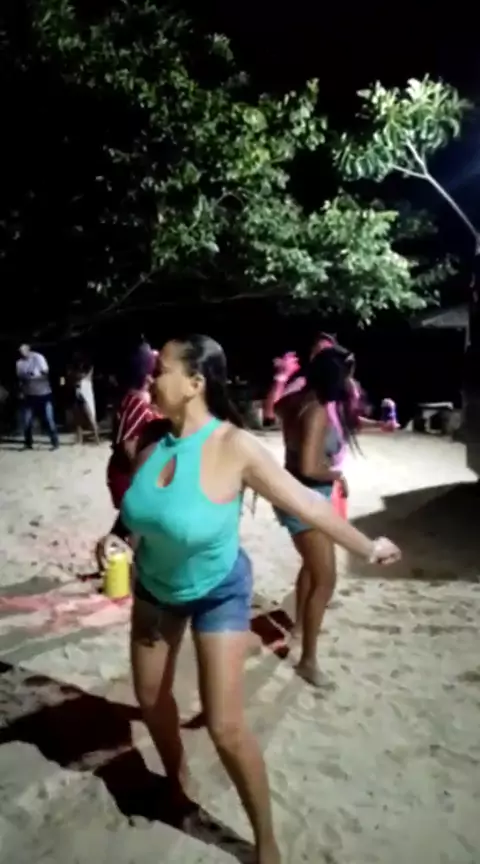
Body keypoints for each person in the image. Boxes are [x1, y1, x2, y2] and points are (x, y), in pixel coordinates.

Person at [96, 334, 400, 864]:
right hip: (153, 590)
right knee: (150, 699)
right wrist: (115, 538)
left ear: (195, 383)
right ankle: (176, 778)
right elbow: (135, 511)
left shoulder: (233, 446)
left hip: (218, 591)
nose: (150, 377)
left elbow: (308, 504)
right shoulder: (150, 440)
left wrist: (367, 546)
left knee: (225, 725)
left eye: (161, 369)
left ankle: (266, 843)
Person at [274, 346, 358, 687]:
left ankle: (298, 629)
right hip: (306, 498)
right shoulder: (317, 411)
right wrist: (336, 475)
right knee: (326, 579)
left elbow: (276, 409)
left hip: (293, 493)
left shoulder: (293, 401)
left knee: (311, 566)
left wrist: (283, 377)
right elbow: (309, 467)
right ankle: (308, 660)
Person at [106, 343, 160, 510]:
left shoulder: (133, 401)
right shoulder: (138, 406)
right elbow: (129, 445)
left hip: (124, 477)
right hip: (128, 480)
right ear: (148, 378)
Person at [263, 332, 338, 424]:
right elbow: (271, 416)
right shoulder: (301, 382)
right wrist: (282, 376)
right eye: (317, 349)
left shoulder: (343, 386)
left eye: (325, 351)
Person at [16, 343, 59, 450]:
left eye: (23, 351)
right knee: (27, 421)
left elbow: (45, 373)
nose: (21, 353)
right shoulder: (19, 363)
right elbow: (20, 379)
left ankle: (55, 442)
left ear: (28, 350)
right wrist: (21, 390)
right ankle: (28, 443)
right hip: (29, 394)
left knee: (49, 419)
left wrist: (33, 376)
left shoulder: (38, 358)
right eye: (20, 351)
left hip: (43, 394)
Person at [67, 353, 100, 445]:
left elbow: (84, 376)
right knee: (78, 419)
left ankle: (97, 439)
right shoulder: (75, 370)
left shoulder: (88, 370)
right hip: (78, 394)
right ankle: (80, 439)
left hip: (85, 395)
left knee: (91, 417)